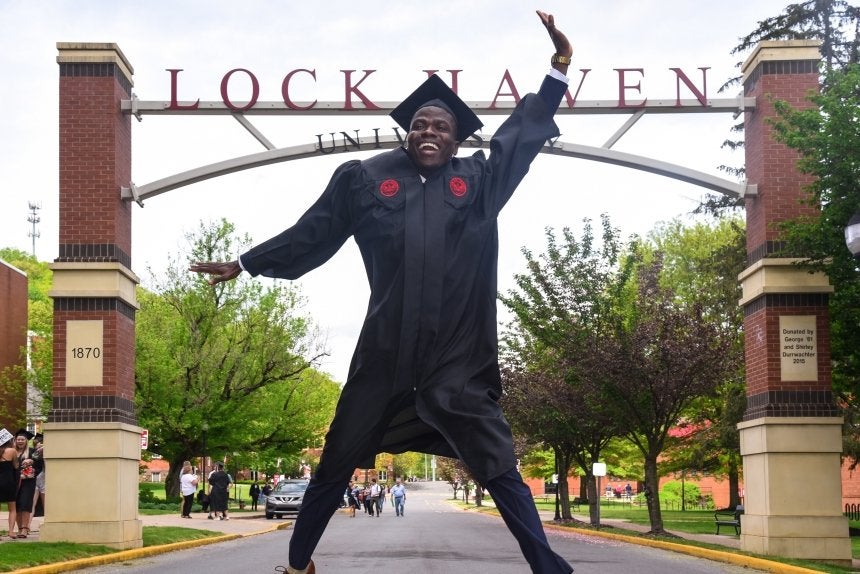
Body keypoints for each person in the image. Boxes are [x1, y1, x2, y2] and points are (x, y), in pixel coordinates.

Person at [192, 10, 573, 574]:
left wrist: (558, 68)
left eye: (440, 127)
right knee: (334, 462)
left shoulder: (479, 183)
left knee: (499, 466)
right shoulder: (366, 180)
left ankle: (550, 568)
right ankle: (297, 565)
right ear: (406, 131)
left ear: (457, 139)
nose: (428, 132)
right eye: (419, 124)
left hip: (456, 362)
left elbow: (519, 140)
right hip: (385, 356)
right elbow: (312, 233)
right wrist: (246, 263)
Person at [13, 429, 40, 539]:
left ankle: (25, 528)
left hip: (28, 482)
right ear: (15, 440)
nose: (20, 441)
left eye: (22, 439)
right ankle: (19, 528)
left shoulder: (32, 452)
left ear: (26, 441)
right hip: (14, 482)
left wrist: (32, 467)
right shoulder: (12, 452)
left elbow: (39, 465)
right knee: (16, 505)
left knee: (25, 503)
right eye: (18, 439)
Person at [0, 429, 19, 540]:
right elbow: (16, 466)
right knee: (12, 508)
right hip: (8, 482)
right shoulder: (12, 451)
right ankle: (11, 532)